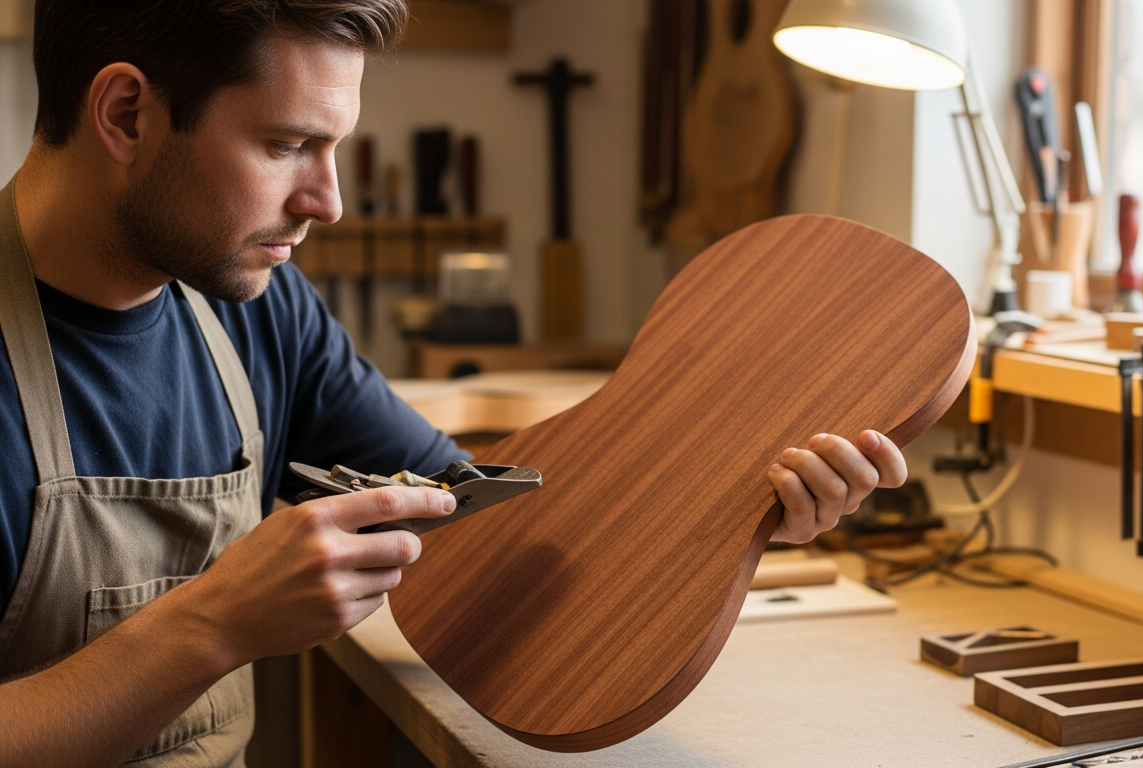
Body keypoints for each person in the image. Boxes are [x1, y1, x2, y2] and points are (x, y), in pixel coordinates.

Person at [0, 1, 909, 765]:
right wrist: (214, 625)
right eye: (286, 145)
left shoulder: (250, 309)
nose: (328, 201)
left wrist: (740, 503)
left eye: (336, 148)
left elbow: (490, 519)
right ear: (124, 114)